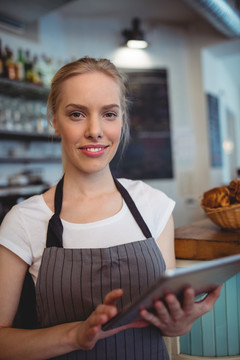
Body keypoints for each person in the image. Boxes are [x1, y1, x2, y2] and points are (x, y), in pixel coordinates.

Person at [0, 56, 221, 360]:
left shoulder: (153, 206)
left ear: (122, 119)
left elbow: (169, 323)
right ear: (54, 120)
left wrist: (178, 323)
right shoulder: (24, 221)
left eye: (108, 114)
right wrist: (74, 336)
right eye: (77, 114)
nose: (95, 130)